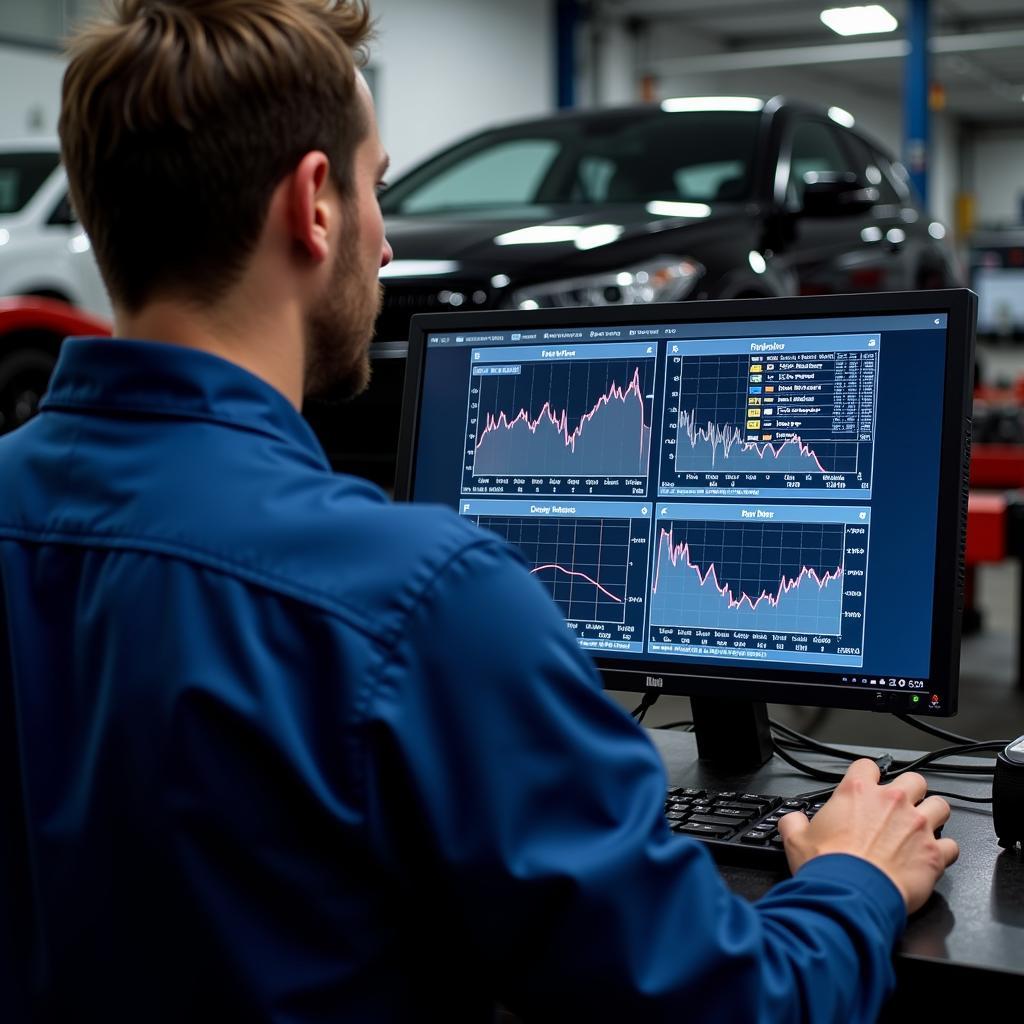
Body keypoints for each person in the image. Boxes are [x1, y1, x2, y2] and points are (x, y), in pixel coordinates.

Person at [0, 1, 958, 1020]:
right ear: (314, 205)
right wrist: (853, 875)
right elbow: (731, 1004)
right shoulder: (419, 599)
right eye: (377, 188)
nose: (384, 249)